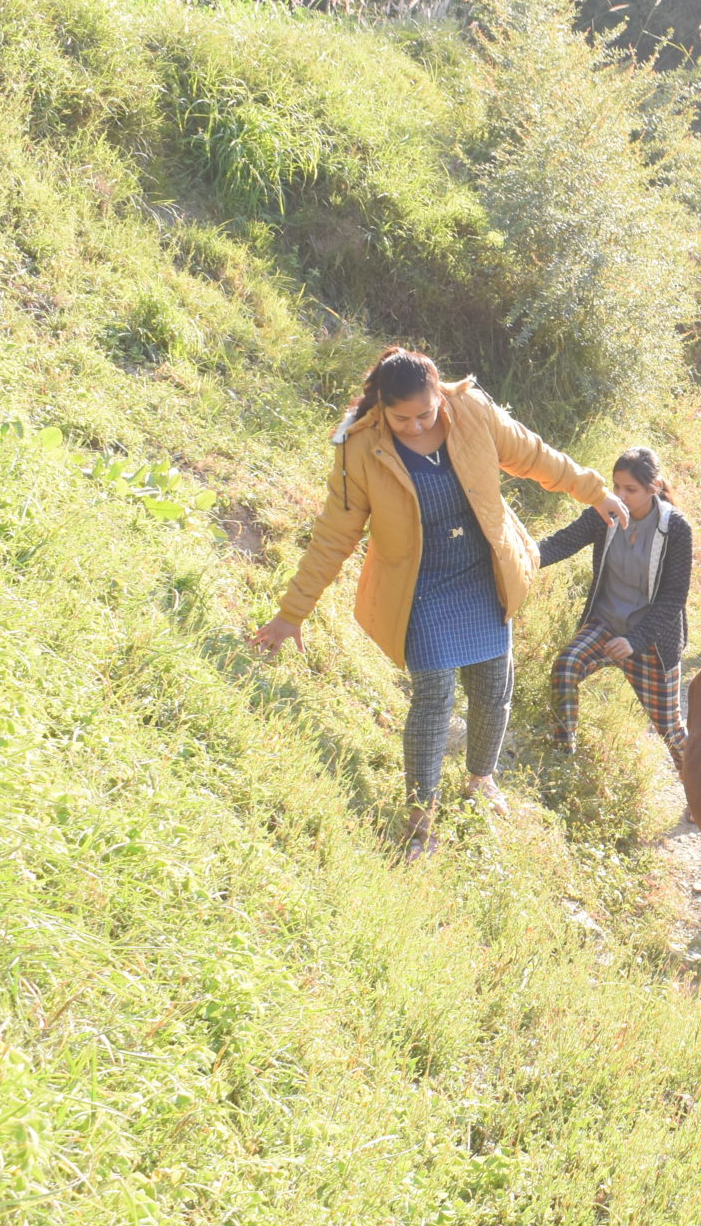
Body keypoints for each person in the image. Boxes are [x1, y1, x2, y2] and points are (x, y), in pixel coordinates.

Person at [250, 346, 627, 855]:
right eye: (400, 417)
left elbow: (536, 456)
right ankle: (419, 816)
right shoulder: (359, 448)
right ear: (379, 405)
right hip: (419, 585)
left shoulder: (472, 411)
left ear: (439, 394)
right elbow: (333, 536)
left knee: (494, 687)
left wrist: (596, 492)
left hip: (483, 572)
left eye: (424, 414)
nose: (414, 425)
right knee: (433, 699)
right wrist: (291, 614)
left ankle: (480, 780)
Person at [537, 446, 694, 765]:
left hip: (651, 639)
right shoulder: (604, 512)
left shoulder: (675, 528)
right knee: (566, 666)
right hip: (605, 624)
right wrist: (521, 557)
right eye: (616, 486)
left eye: (630, 489)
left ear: (654, 487)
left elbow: (674, 598)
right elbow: (562, 542)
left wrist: (635, 640)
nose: (620, 495)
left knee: (671, 729)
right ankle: (563, 757)